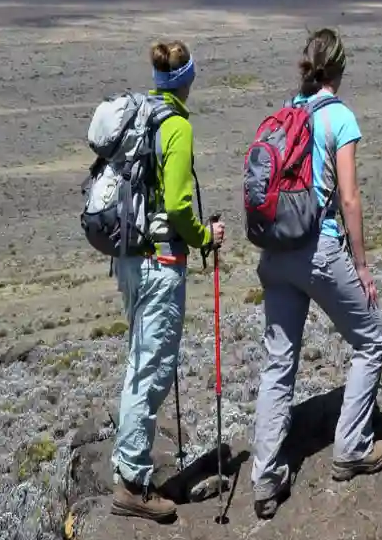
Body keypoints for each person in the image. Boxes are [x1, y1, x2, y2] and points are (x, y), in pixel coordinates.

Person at [250, 27, 382, 520]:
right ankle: (351, 447)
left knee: (278, 363)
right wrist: (362, 265)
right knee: (373, 338)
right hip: (319, 249)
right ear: (340, 69)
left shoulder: (290, 112)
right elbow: (349, 197)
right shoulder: (338, 117)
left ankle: (265, 480)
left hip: (275, 253)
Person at [112, 40, 227, 523]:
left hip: (131, 259)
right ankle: (133, 484)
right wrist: (205, 236)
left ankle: (127, 466)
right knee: (153, 368)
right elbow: (180, 205)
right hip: (161, 262)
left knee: (140, 361)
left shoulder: (142, 116)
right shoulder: (176, 127)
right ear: (188, 79)